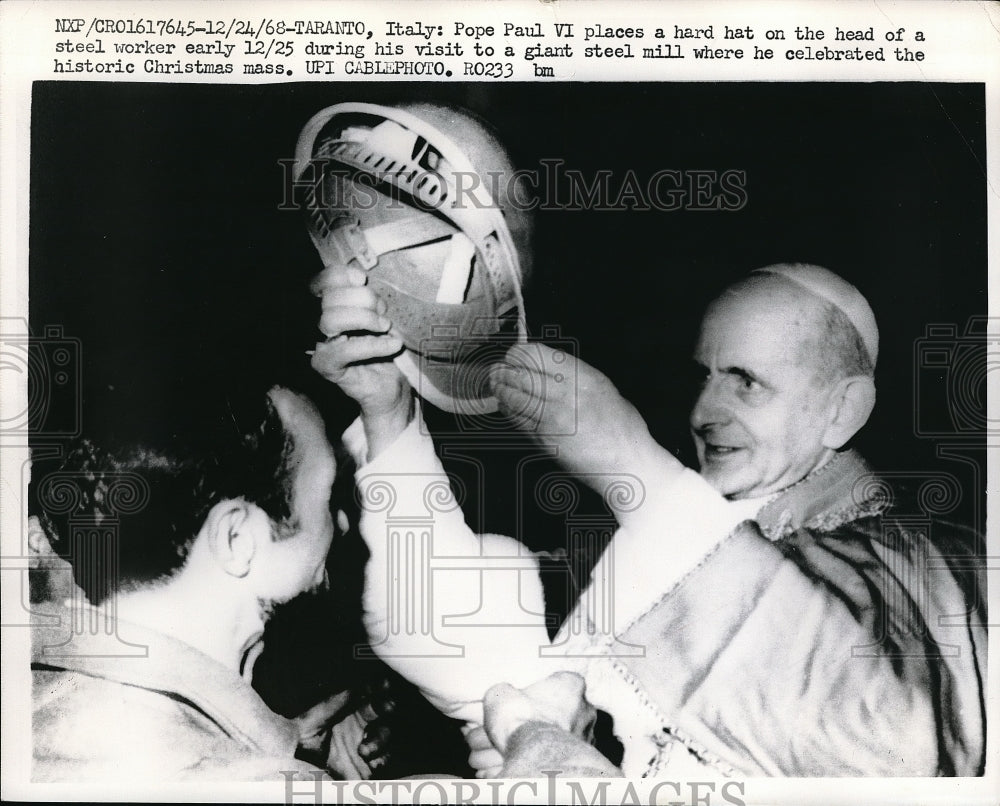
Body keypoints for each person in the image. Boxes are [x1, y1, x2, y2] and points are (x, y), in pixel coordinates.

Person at [313, 249, 986, 778]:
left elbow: (887, 737)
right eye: (704, 377)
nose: (703, 414)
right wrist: (389, 413)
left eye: (745, 382)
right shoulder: (674, 535)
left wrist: (631, 466)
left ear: (844, 410)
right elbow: (468, 639)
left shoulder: (933, 567)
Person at [29, 385, 393, 782]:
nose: (340, 523)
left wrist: (297, 747)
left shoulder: (40, 702)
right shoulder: (247, 783)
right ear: (237, 539)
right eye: (326, 497)